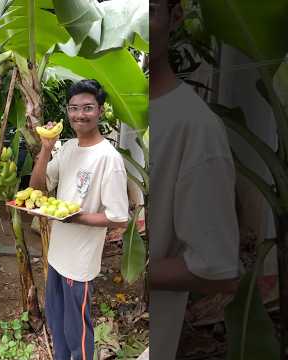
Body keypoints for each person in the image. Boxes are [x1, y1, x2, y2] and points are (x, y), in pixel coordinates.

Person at [149, 0, 240, 359]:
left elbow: (217, 269)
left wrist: (130, 272)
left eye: (150, 9)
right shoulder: (127, 114)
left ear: (175, 17)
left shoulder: (196, 128)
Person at [29, 79, 130, 360]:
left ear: (100, 110)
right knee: (57, 326)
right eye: (74, 108)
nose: (79, 114)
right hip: (57, 256)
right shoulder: (69, 147)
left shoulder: (108, 158)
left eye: (87, 107)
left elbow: (119, 217)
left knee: (78, 333)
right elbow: (38, 190)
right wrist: (47, 149)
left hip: (80, 264)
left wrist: (76, 217)